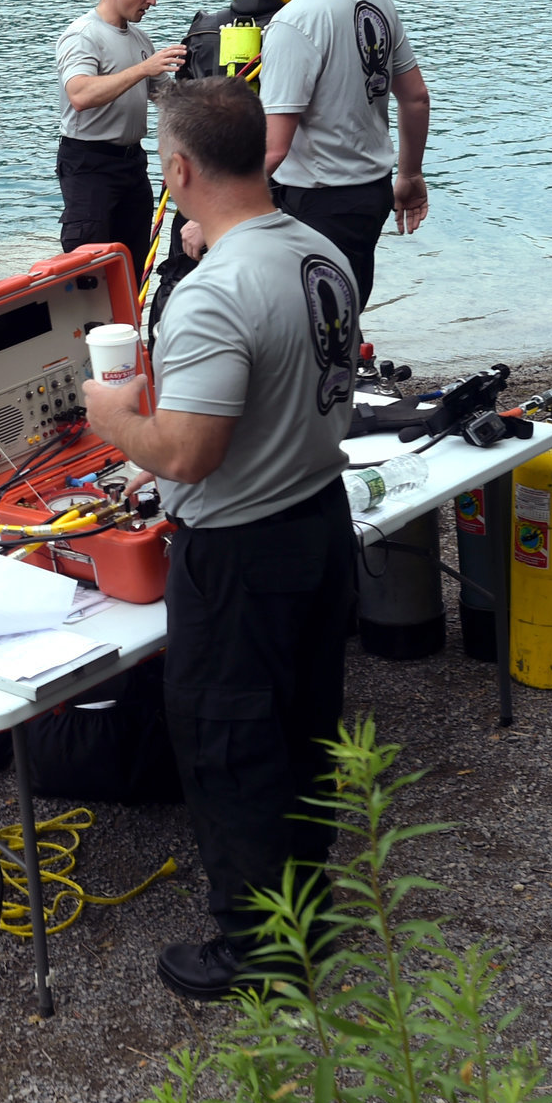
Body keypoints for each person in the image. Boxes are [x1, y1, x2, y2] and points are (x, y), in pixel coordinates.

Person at [80, 78, 360, 1000]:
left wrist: (110, 418)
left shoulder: (215, 295)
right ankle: (304, 906)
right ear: (263, 154)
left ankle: (257, 950)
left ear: (180, 168)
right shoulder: (319, 254)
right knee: (304, 728)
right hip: (319, 523)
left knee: (231, 744)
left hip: (241, 553)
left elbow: (191, 453)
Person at [238, 0, 431, 308]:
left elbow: (274, 148)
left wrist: (217, 211)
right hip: (372, 193)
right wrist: (410, 175)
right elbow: (416, 97)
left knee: (308, 332)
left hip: (319, 202)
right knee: (345, 322)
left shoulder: (293, 21)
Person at [55, 0, 186, 267]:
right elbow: (80, 95)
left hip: (132, 166)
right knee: (91, 268)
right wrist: (144, 69)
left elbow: (169, 100)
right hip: (89, 166)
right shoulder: (82, 36)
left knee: (135, 263)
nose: (153, 0)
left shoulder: (142, 41)